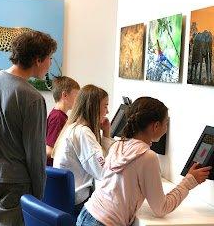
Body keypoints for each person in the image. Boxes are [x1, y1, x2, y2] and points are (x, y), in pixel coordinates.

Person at [76, 97, 212, 226]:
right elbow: (161, 208)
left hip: (87, 214)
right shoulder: (148, 157)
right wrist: (189, 182)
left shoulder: (119, 145)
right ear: (156, 126)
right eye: (166, 123)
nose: (166, 128)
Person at [0, 31, 57, 226]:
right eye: (50, 58)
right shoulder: (32, 98)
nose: (50, 63)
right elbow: (35, 153)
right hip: (14, 183)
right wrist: (37, 195)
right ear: (38, 60)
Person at [52, 84, 112, 215]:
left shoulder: (73, 126)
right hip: (77, 201)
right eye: (105, 106)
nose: (107, 112)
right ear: (94, 107)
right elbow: (103, 172)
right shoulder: (83, 133)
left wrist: (106, 132)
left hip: (63, 198)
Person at [46, 76, 80, 166]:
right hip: (54, 170)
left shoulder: (60, 115)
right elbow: (48, 151)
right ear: (64, 95)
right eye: (76, 96)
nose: (78, 100)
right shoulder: (58, 118)